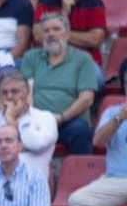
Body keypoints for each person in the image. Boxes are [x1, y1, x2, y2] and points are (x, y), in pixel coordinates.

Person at [20, 13, 96, 156]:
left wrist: (62, 117)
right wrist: (34, 118)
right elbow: (26, 92)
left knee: (80, 130)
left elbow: (87, 98)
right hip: (38, 121)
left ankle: (80, 170)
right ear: (41, 35)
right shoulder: (31, 57)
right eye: (46, 30)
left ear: (67, 33)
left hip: (69, 121)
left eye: (56, 29)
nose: (51, 34)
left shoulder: (83, 59)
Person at [34, 0, 107, 73]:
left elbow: (95, 39)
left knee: (96, 76)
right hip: (51, 60)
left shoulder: (94, 3)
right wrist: (63, 13)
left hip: (85, 62)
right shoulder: (45, 2)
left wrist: (56, 33)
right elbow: (38, 36)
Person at [69, 102, 127, 206]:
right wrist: (119, 117)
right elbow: (98, 142)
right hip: (116, 180)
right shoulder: (112, 112)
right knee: (78, 202)